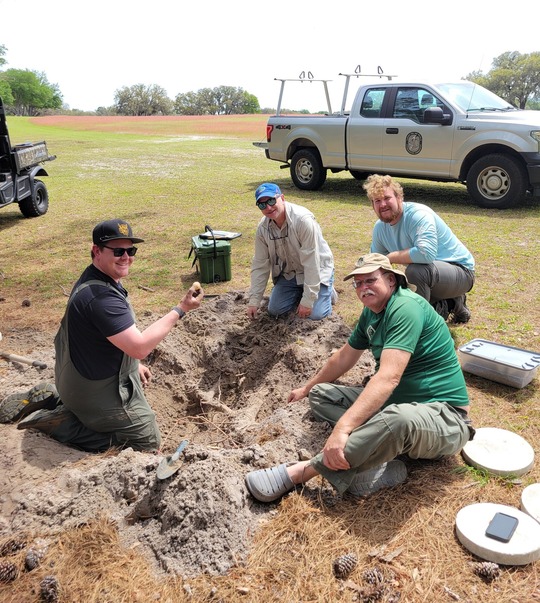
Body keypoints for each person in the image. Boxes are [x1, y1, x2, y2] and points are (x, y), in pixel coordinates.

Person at [245, 253, 474, 503]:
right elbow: (344, 358)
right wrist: (307, 388)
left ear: (390, 280)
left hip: (444, 417)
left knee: (396, 419)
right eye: (358, 283)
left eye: (370, 281)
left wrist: (343, 429)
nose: (363, 288)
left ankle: (301, 472)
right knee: (321, 395)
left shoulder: (406, 308)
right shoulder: (372, 313)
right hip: (395, 405)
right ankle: (379, 456)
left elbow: (388, 378)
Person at [0, 219, 202, 452]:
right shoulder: (101, 298)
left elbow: (106, 339)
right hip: (91, 391)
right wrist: (181, 308)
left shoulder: (95, 280)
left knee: (128, 383)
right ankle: (63, 424)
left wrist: (132, 365)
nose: (126, 257)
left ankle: (58, 399)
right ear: (97, 251)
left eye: (130, 250)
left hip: (75, 379)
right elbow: (139, 347)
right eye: (118, 251)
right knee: (146, 441)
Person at [364, 174, 475, 323]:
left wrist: (390, 257)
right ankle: (450, 304)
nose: (382, 204)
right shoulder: (380, 228)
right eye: (377, 201)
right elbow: (376, 264)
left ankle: (420, 327)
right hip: (432, 276)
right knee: (387, 279)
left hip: (460, 272)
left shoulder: (418, 215)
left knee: (416, 271)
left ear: (399, 198)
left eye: (387, 198)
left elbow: (426, 254)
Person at [247, 183, 336, 321]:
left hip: (317, 270)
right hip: (290, 274)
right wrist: (254, 300)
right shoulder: (262, 229)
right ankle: (304, 292)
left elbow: (312, 262)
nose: (268, 207)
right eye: (262, 205)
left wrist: (308, 301)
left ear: (282, 198)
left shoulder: (303, 220)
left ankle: (327, 291)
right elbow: (260, 265)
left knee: (315, 315)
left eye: (271, 201)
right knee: (275, 310)